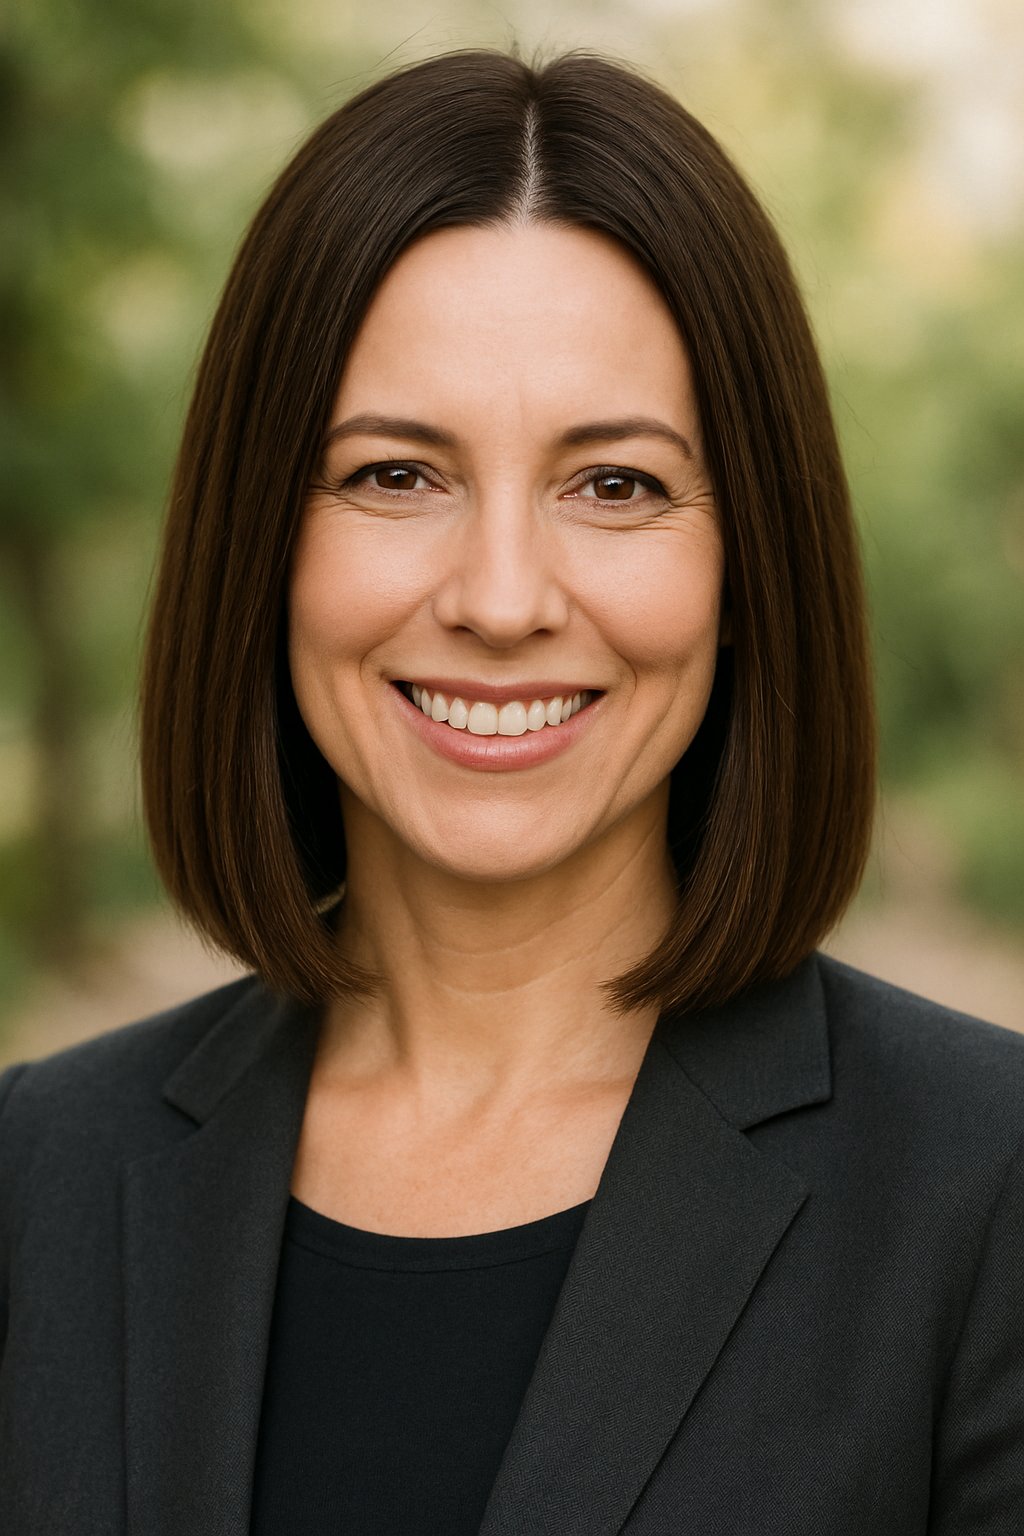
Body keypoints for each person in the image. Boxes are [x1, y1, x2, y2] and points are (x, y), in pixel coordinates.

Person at [1, 44, 1021, 1536]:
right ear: (261, 547)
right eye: (395, 476)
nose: (498, 597)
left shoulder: (988, 1194)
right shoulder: (36, 1182)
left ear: (745, 573)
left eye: (615, 486)